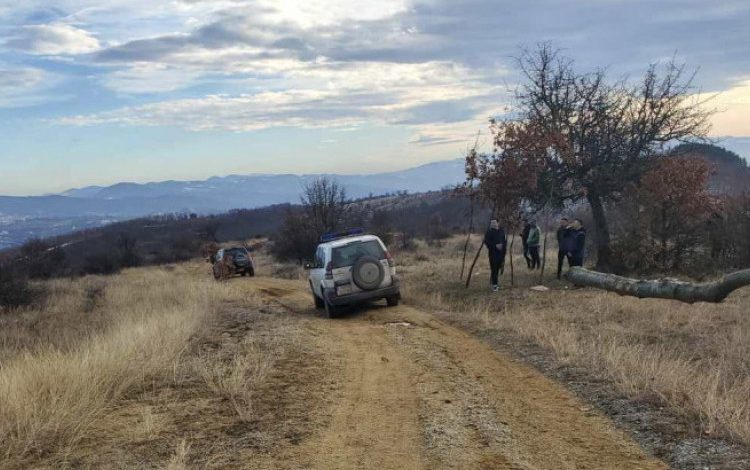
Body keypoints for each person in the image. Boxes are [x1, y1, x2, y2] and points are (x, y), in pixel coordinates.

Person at [483, 219, 506, 292]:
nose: (493, 224)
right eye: (492, 223)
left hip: (501, 254)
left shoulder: (501, 231)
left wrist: (503, 247)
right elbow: (486, 242)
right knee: (494, 269)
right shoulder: (489, 232)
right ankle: (495, 285)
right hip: (493, 254)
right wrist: (495, 246)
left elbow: (504, 241)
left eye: (495, 222)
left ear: (498, 223)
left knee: (498, 268)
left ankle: (495, 283)